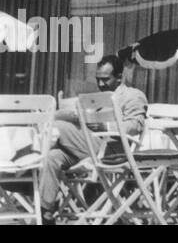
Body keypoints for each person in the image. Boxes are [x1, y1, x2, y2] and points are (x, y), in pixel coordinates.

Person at [38, 55, 148, 222]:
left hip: (111, 151)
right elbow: (75, 114)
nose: (101, 84)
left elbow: (135, 125)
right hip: (85, 148)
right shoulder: (95, 98)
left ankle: (22, 169)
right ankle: (45, 212)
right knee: (52, 157)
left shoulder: (133, 95)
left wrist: (107, 127)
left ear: (120, 77)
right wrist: (50, 115)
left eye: (105, 79)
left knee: (57, 128)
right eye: (98, 79)